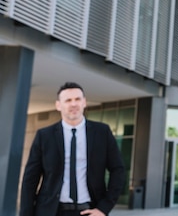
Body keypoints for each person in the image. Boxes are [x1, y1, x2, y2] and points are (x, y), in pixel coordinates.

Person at [20, 82, 125, 216]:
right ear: (58, 105)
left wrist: (104, 208)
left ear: (84, 102)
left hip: (90, 210)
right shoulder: (44, 136)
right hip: (51, 211)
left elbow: (118, 169)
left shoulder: (102, 132)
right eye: (68, 100)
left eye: (77, 99)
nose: (73, 104)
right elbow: (30, 179)